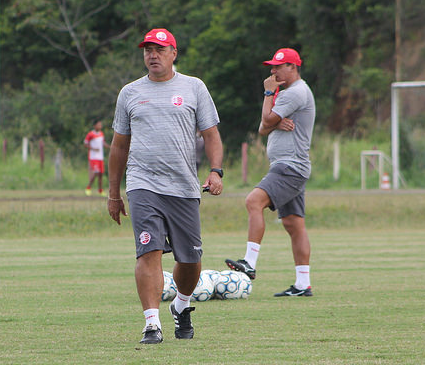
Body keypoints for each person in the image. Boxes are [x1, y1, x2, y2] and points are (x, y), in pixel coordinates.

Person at [107, 28, 224, 344]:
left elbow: (211, 135)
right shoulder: (130, 93)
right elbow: (118, 147)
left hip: (184, 187)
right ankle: (151, 323)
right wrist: (114, 193)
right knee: (149, 251)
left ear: (174, 52)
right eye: (147, 49)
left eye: (159, 49)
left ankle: (181, 305)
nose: (152, 55)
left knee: (190, 260)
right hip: (143, 185)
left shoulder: (194, 88)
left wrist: (216, 172)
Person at [225, 48, 316, 297]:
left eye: (279, 66)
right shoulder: (290, 93)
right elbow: (263, 128)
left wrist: (268, 93)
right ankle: (302, 284)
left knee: (253, 200)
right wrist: (274, 120)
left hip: (290, 166)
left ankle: (250, 263)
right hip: (291, 165)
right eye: (272, 67)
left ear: (294, 67)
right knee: (293, 224)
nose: (273, 71)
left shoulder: (294, 92)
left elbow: (265, 120)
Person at [84, 120, 110, 196]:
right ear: (94, 126)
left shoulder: (101, 134)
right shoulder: (90, 134)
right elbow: (85, 144)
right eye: (98, 125)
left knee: (101, 174)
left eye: (101, 125)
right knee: (95, 172)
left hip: (100, 157)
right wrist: (93, 148)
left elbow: (103, 143)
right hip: (93, 157)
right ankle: (88, 188)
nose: (100, 126)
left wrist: (110, 147)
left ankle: (100, 190)